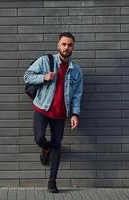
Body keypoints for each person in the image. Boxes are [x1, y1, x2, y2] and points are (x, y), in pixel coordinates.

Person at [23, 32, 83, 193]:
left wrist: (75, 114)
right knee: (39, 138)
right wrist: (44, 77)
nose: (66, 47)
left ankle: (52, 181)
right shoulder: (45, 61)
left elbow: (77, 95)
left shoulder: (76, 70)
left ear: (73, 47)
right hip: (42, 108)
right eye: (64, 44)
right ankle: (45, 148)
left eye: (70, 45)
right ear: (58, 45)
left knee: (57, 145)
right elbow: (27, 76)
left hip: (60, 114)